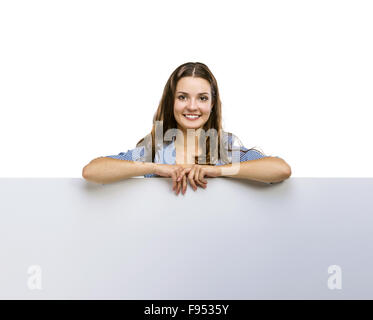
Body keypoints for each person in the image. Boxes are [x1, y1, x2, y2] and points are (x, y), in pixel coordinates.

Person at [82, 62, 291, 195]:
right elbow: (92, 171)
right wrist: (155, 168)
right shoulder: (154, 152)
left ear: (212, 104)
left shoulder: (226, 151)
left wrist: (217, 171)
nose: (192, 106)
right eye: (183, 97)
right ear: (171, 102)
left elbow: (280, 169)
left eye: (202, 98)